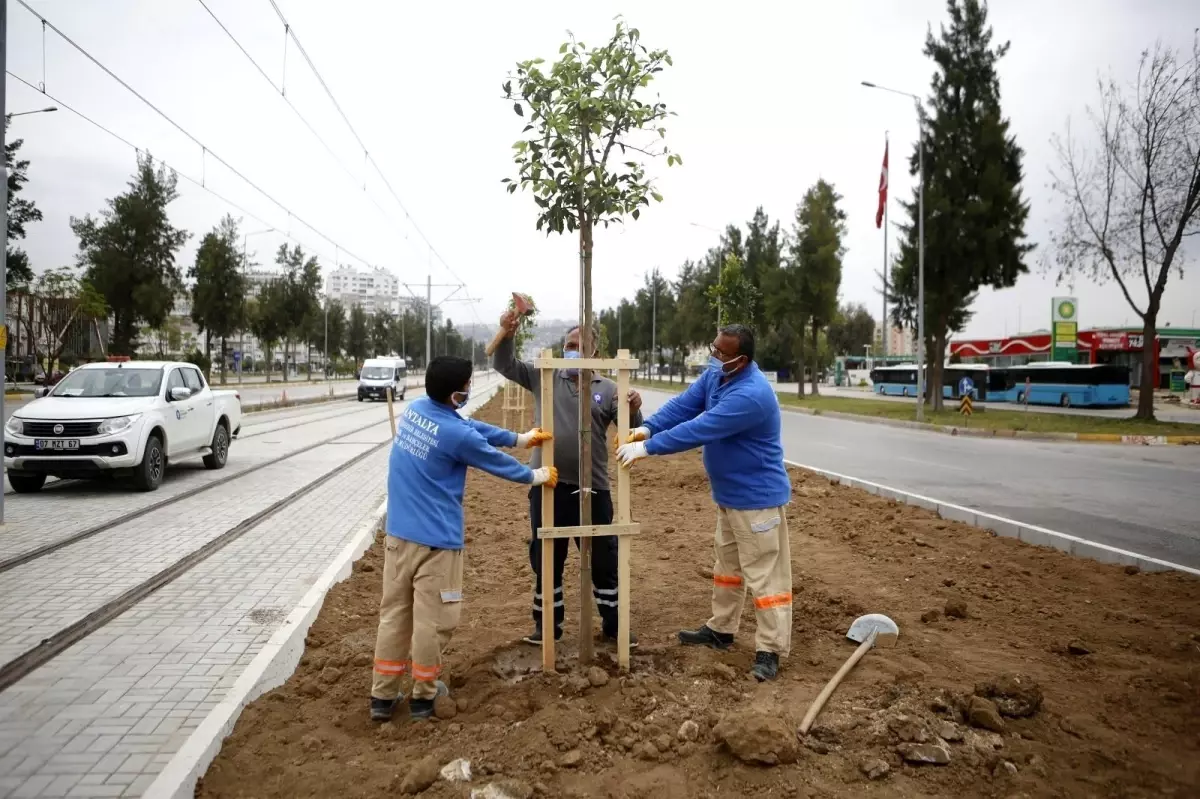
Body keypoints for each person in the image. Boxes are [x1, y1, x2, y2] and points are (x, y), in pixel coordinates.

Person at [370, 355, 557, 722]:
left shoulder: (418, 411)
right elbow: (487, 456)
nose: (471, 389)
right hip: (435, 544)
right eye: (468, 385)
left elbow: (469, 428)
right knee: (433, 620)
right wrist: (536, 475)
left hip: (398, 537)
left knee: (394, 615)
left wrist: (519, 438)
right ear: (456, 393)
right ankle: (424, 696)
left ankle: (382, 696)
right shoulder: (453, 434)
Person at [616, 324, 792, 681]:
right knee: (727, 568)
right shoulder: (718, 374)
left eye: (721, 353)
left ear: (741, 360)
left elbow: (701, 426)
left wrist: (648, 448)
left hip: (757, 501)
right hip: (729, 496)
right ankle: (721, 630)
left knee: (764, 577)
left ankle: (770, 650)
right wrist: (648, 427)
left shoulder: (752, 395)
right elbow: (686, 404)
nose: (713, 357)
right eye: (713, 348)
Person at [493, 313, 643, 647]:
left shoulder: (607, 388)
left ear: (594, 351)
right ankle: (547, 624)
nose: (571, 351)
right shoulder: (543, 377)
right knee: (547, 556)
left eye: (578, 346)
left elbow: (630, 430)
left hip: (594, 488)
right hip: (548, 485)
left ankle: (614, 624)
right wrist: (507, 331)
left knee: (604, 557)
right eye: (568, 345)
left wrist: (633, 407)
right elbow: (504, 363)